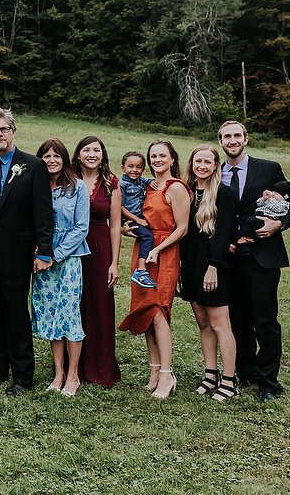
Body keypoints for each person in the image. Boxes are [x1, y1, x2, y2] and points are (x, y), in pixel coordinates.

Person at [218, 120, 290, 402]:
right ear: (221, 142)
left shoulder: (268, 168)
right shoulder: (215, 173)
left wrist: (279, 224)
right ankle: (245, 372)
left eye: (237, 135)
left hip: (263, 257)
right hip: (231, 257)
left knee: (265, 321)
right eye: (227, 136)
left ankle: (269, 383)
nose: (232, 140)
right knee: (237, 319)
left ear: (246, 139)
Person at [0, 108, 53, 395]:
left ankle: (22, 376)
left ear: (13, 132)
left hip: (17, 254)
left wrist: (44, 251)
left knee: (16, 314)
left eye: (4, 129)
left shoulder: (32, 165)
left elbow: (43, 213)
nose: (0, 134)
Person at [118, 139, 190, 400]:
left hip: (165, 252)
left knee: (158, 310)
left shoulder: (177, 188)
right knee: (146, 311)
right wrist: (128, 230)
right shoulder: (148, 186)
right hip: (143, 252)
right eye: (153, 156)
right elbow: (140, 220)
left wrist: (158, 250)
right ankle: (154, 370)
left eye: (162, 155)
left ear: (172, 159)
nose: (157, 159)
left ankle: (167, 374)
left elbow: (182, 228)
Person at [32, 139, 89, 397]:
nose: (51, 160)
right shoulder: (37, 186)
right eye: (46, 156)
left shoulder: (77, 188)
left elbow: (81, 228)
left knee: (69, 315)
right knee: (50, 315)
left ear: (65, 159)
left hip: (67, 260)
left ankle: (74, 374)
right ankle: (59, 372)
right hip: (41, 261)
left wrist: (55, 253)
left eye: (56, 156)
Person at [180, 144, 238, 401]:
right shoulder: (186, 192)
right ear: (191, 163)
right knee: (203, 322)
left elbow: (223, 233)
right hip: (191, 265)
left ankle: (229, 380)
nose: (201, 166)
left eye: (207, 161)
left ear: (216, 166)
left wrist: (213, 267)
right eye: (197, 161)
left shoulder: (224, 193)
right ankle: (210, 375)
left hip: (213, 264)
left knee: (219, 323)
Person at [72, 135, 122, 388]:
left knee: (100, 307)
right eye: (87, 149)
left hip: (100, 246)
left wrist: (114, 262)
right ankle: (75, 367)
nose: (92, 154)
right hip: (72, 248)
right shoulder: (68, 178)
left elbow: (115, 226)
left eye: (97, 150)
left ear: (103, 155)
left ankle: (100, 367)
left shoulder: (111, 183)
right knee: (74, 305)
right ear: (78, 153)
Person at [119, 151, 159, 289]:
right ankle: (141, 271)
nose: (134, 170)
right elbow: (121, 207)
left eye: (139, 167)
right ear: (123, 167)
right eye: (130, 166)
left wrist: (154, 182)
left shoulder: (141, 181)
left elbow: (152, 181)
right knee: (147, 236)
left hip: (139, 218)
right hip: (128, 220)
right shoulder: (122, 184)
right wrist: (138, 220)